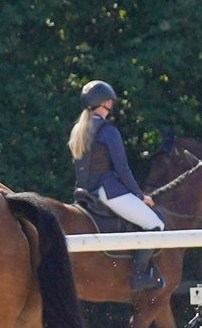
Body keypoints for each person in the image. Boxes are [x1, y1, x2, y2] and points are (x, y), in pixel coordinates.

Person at [69, 80, 164, 292]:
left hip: (86, 192)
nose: (112, 104)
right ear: (104, 103)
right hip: (109, 191)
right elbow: (122, 170)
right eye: (110, 100)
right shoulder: (108, 131)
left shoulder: (79, 129)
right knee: (155, 224)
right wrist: (140, 196)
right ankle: (139, 275)